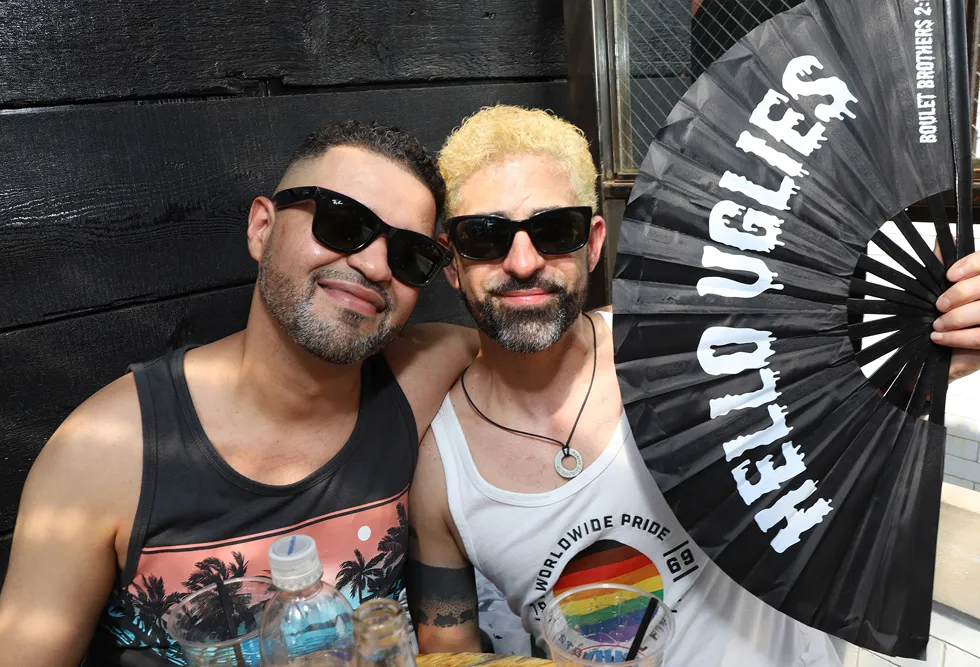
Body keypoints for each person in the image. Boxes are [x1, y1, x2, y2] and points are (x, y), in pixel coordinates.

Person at [406, 105, 980, 665]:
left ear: (594, 242)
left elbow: (834, 427)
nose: (523, 261)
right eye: (484, 237)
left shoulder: (686, 343)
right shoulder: (441, 474)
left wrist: (929, 351)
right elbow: (448, 654)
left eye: (555, 230)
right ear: (451, 262)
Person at [0, 121, 478, 667]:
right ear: (262, 228)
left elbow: (532, 337)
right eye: (342, 223)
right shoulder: (104, 451)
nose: (375, 266)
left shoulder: (420, 377)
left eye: (409, 254)